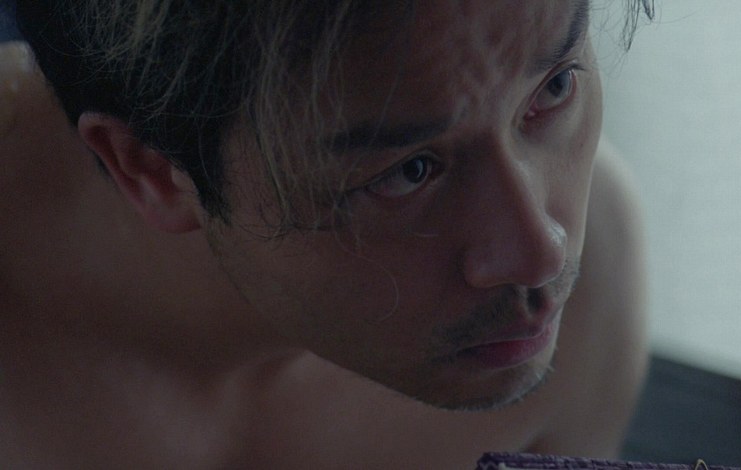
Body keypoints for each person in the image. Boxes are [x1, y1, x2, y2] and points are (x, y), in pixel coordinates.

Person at [0, 1, 651, 467]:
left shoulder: (598, 271)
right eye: (407, 172)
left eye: (553, 89)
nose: (542, 253)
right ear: (151, 170)